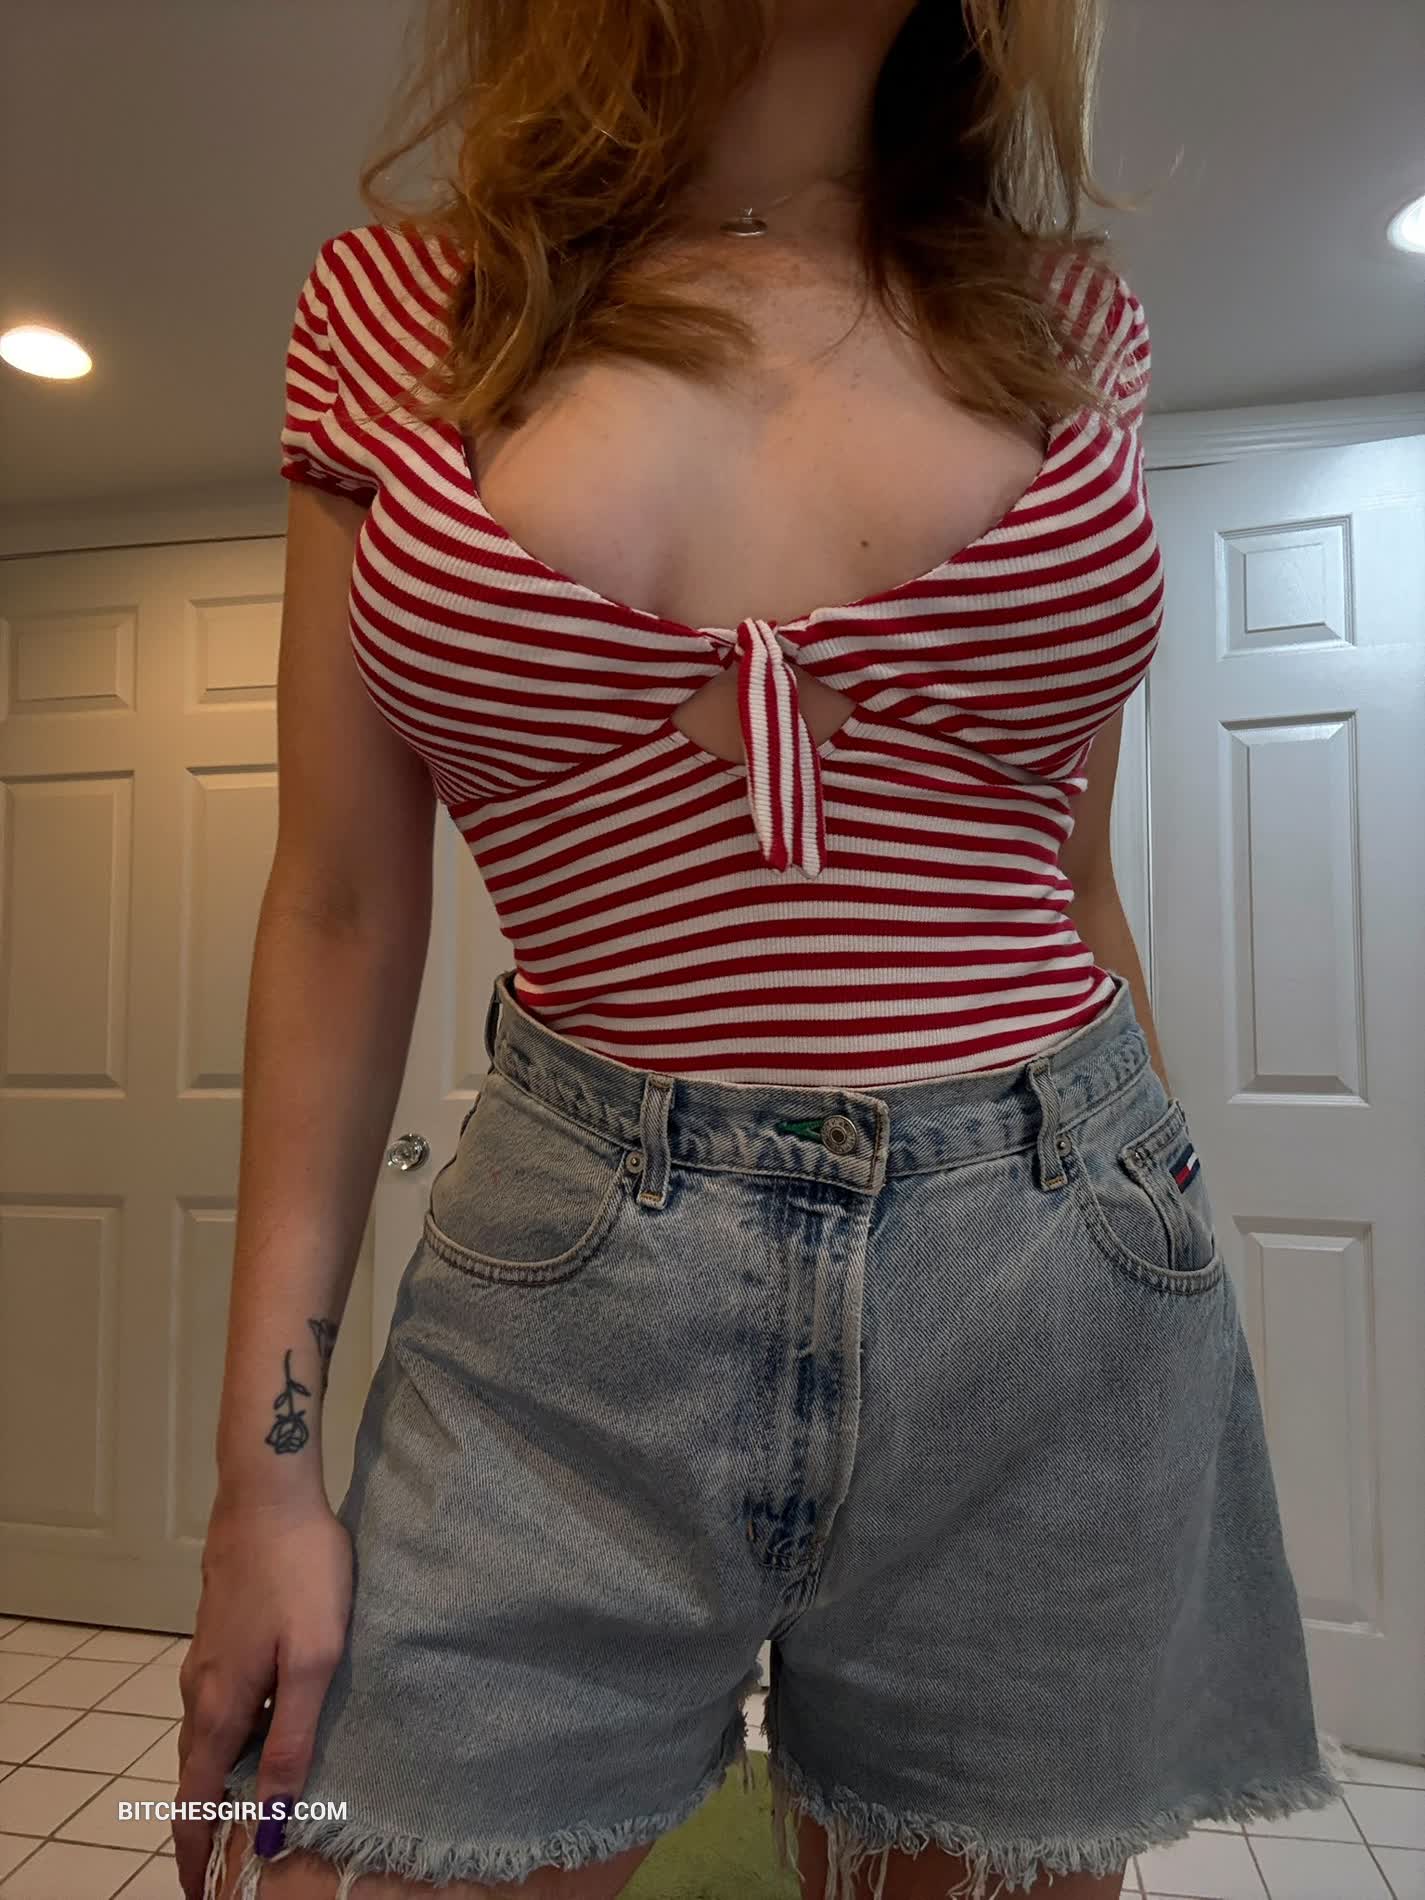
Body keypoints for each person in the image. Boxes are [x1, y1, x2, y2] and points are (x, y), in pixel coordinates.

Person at [181, 2, 1343, 1897]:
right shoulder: (404, 310)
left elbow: (1070, 872)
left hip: (1048, 1257)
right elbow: (338, 908)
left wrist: (1161, 1228)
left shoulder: (1064, 322)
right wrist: (264, 1475)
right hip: (565, 1297)